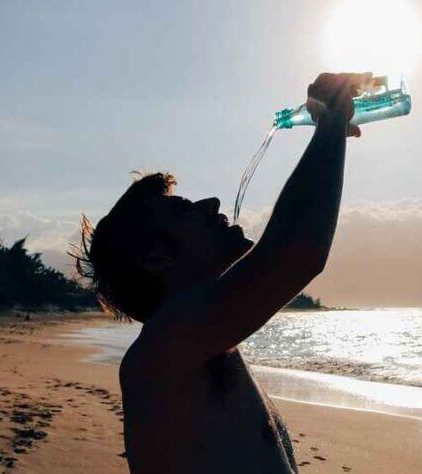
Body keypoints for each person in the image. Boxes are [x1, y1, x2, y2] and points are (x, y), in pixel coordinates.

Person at [73, 72, 371, 473]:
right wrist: (330, 124)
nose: (212, 202)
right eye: (182, 210)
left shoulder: (203, 346)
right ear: (156, 257)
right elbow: (296, 253)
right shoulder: (163, 348)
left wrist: (330, 130)